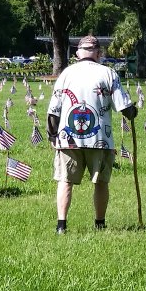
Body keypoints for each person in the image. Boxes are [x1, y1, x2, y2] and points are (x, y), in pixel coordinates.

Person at [47, 36, 137, 235]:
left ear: (78, 53)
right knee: (101, 182)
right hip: (100, 139)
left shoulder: (66, 74)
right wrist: (132, 112)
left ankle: (61, 225)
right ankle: (100, 223)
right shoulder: (108, 73)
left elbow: (54, 109)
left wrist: (53, 135)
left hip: (68, 138)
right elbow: (123, 106)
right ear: (98, 53)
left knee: (65, 180)